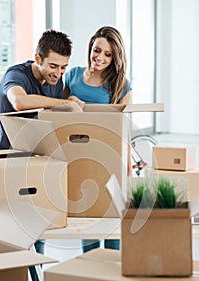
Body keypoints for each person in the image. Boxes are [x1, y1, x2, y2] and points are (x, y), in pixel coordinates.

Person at [0, 29, 75, 281]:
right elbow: (20, 102)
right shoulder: (16, 75)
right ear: (37, 57)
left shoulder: (56, 81)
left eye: (63, 67)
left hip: (37, 161)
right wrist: (65, 103)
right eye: (53, 66)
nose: (58, 73)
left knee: (38, 226)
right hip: (7, 163)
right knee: (15, 231)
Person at [64, 26, 132, 254]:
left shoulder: (121, 85)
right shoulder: (72, 76)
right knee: (89, 218)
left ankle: (111, 273)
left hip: (111, 155)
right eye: (97, 50)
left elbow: (125, 129)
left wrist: (128, 167)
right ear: (90, 47)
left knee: (112, 219)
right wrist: (70, 101)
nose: (100, 57)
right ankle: (91, 270)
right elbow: (60, 118)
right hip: (80, 155)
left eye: (108, 54)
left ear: (115, 58)